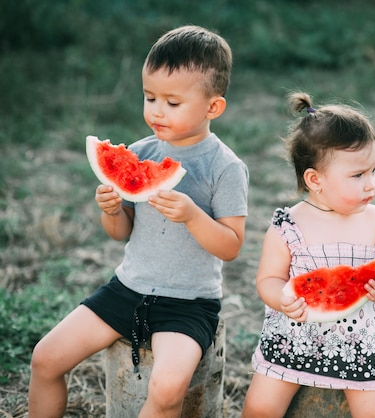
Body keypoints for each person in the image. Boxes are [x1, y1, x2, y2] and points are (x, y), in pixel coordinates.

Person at [28, 25, 248, 418]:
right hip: (126, 289)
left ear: (213, 107)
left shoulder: (226, 168)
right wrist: (112, 209)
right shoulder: (139, 151)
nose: (157, 111)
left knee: (166, 391)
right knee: (45, 359)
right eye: (149, 98)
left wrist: (192, 215)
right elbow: (119, 233)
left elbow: (231, 246)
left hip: (189, 304)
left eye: (173, 103)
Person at [241, 92, 375, 418]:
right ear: (315, 180)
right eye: (357, 175)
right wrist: (282, 299)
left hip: (364, 343)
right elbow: (268, 279)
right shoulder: (288, 226)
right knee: (260, 407)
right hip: (296, 338)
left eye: (374, 170)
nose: (371, 184)